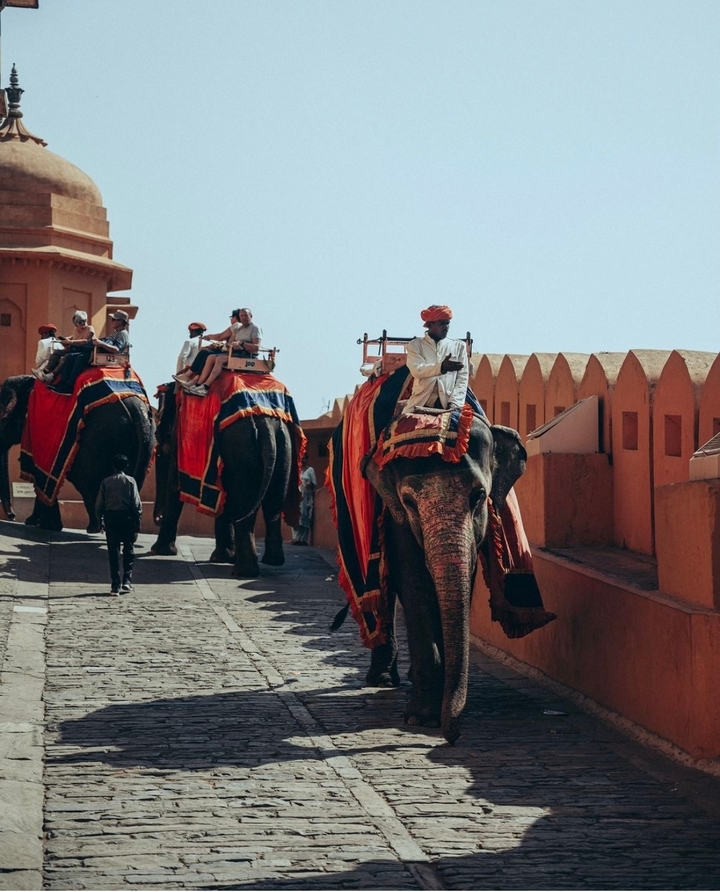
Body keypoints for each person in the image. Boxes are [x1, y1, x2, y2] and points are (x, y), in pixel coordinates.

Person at [174, 308, 262, 397]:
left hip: (245, 354)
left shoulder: (255, 328)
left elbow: (256, 347)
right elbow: (225, 339)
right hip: (233, 351)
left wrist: (242, 344)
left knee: (219, 359)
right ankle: (198, 384)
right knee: (210, 357)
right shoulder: (238, 328)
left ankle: (206, 386)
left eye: (246, 316)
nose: (243, 318)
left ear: (251, 316)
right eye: (242, 316)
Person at [403, 305, 469, 413]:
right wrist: (441, 367)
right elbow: (417, 370)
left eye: (448, 323)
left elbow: (462, 377)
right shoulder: (415, 346)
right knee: (398, 428)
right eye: (442, 323)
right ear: (431, 324)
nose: (446, 327)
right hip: (420, 403)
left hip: (450, 404)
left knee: (478, 427)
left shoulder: (458, 346)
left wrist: (455, 403)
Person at [95, 453, 142, 596]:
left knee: (113, 552)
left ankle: (115, 585)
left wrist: (99, 521)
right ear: (126, 466)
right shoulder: (131, 482)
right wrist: (137, 521)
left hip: (111, 518)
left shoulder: (106, 482)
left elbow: (99, 505)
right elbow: (136, 504)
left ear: (113, 467)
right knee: (129, 550)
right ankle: (127, 580)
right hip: (126, 518)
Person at [52, 310, 130, 394]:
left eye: (113, 319)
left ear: (121, 321)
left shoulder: (122, 334)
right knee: (70, 356)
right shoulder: (116, 333)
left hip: (103, 355)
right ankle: (62, 383)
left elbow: (116, 349)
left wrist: (100, 343)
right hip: (97, 352)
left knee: (80, 358)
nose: (111, 321)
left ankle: (69, 386)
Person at [292, 454, 317, 546]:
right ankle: (296, 538)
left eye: (304, 458)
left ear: (307, 459)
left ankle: (303, 539)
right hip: (297, 496)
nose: (302, 460)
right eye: (301, 459)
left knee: (304, 515)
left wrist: (309, 484)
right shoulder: (298, 470)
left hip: (306, 496)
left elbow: (314, 483)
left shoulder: (310, 470)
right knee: (296, 515)